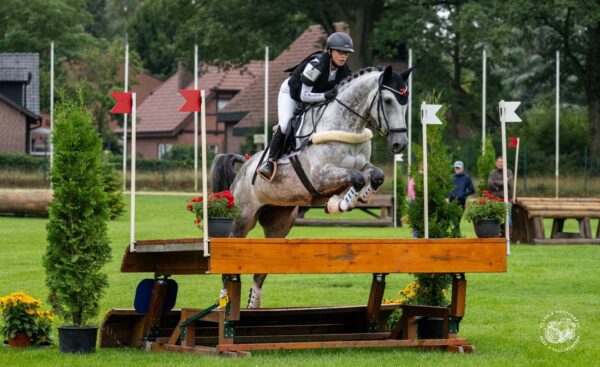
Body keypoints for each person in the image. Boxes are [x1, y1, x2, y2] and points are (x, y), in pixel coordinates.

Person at [257, 32, 354, 181]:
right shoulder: (316, 65)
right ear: (329, 51)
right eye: (340, 52)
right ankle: (269, 162)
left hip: (314, 97)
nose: (343, 56)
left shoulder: (345, 71)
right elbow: (303, 96)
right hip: (292, 94)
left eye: (346, 53)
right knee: (285, 124)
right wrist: (325, 96)